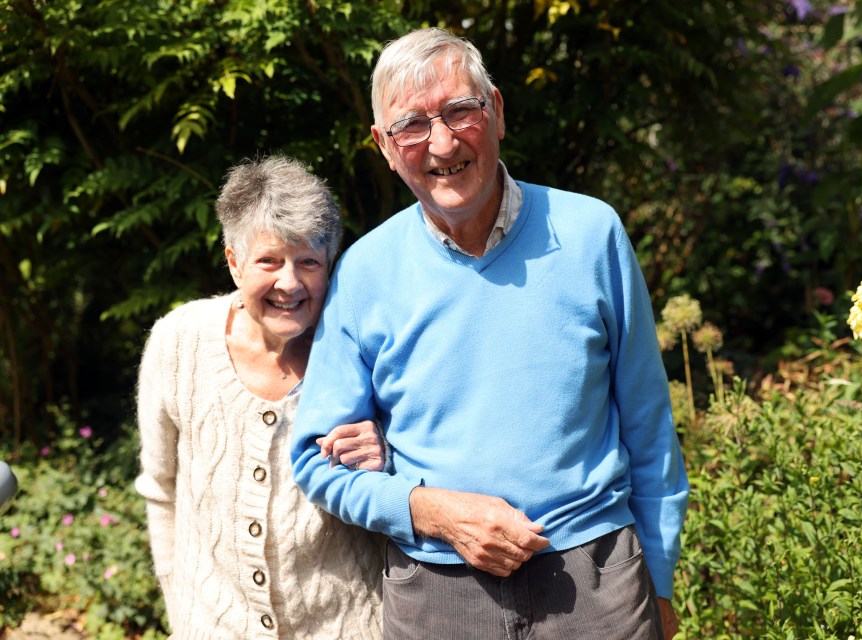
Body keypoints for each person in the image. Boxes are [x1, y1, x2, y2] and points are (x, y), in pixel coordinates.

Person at [291, 27, 689, 640]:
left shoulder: (591, 234)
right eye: (412, 126)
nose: (443, 142)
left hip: (599, 584)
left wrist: (658, 582)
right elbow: (314, 462)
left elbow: (648, 426)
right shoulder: (366, 272)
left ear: (497, 110)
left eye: (460, 110)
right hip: (435, 592)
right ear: (384, 146)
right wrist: (429, 510)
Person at [135, 156, 386, 639]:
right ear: (234, 262)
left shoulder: (362, 349)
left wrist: (384, 457)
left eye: (308, 262)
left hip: (348, 626)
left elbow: (412, 477)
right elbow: (159, 488)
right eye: (269, 260)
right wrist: (180, 609)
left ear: (329, 266)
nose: (289, 283)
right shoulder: (177, 342)